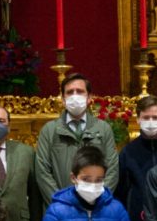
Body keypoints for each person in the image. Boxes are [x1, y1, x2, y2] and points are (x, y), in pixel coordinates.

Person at [35, 72, 119, 207]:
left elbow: (112, 170)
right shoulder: (49, 130)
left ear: (89, 97)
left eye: (80, 91)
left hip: (97, 208)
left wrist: (96, 201)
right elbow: (42, 172)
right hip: (60, 210)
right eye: (70, 92)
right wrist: (61, 204)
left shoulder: (103, 129)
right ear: (63, 99)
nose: (75, 96)